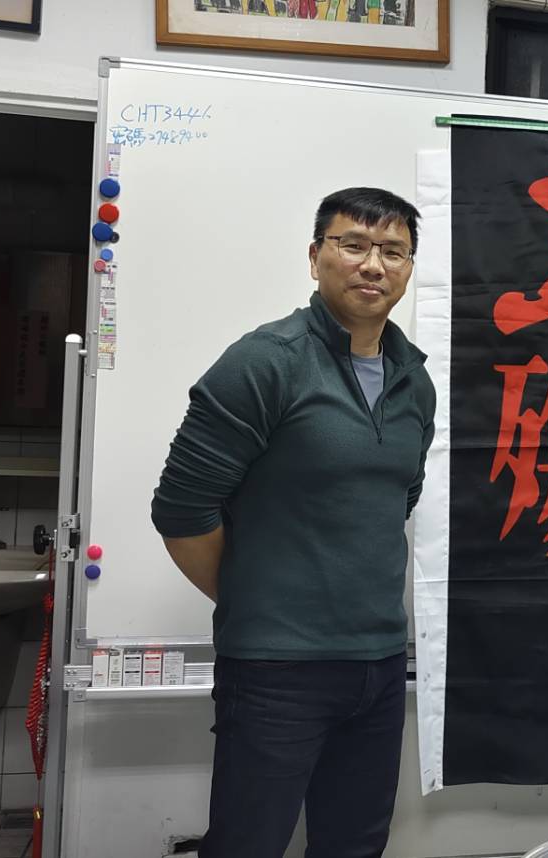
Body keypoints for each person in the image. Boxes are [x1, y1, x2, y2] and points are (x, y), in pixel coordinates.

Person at [151, 187, 435, 858]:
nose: (373, 264)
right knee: (248, 844)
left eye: (393, 251)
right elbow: (181, 510)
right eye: (353, 245)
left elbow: (397, 500)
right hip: (276, 670)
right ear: (315, 257)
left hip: (378, 664)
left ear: (408, 268)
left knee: (354, 845)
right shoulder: (265, 361)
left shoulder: (413, 379)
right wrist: (255, 599)